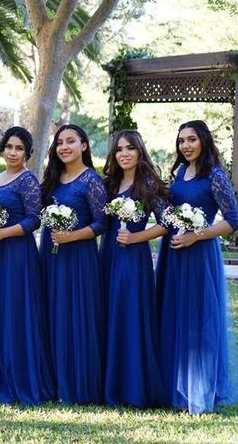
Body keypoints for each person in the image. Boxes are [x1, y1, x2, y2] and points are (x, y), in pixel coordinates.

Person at [156, 120, 238, 414]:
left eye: (191, 139)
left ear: (203, 140)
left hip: (199, 253)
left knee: (197, 319)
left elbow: (232, 220)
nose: (185, 146)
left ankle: (198, 391)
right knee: (174, 314)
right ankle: (172, 387)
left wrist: (195, 236)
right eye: (181, 141)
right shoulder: (179, 172)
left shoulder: (214, 175)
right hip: (173, 252)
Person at [0, 126, 55, 405]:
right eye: (9, 147)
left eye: (19, 148)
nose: (13, 152)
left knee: (16, 312)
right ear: (2, 148)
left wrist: (3, 232)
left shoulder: (28, 181)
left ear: (28, 153)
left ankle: (19, 378)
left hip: (18, 255)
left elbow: (34, 219)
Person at [40, 124, 107, 404]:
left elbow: (102, 222)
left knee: (75, 316)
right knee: (51, 313)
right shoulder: (54, 178)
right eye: (59, 143)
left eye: (70, 141)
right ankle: (52, 381)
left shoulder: (91, 180)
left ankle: (76, 385)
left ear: (84, 145)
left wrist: (72, 236)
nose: (64, 147)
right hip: (50, 254)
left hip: (78, 257)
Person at [100, 129, 167, 407]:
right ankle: (108, 383)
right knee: (108, 313)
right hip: (108, 255)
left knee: (129, 315)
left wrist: (136, 237)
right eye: (118, 149)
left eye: (129, 148)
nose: (124, 153)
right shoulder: (110, 183)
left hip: (132, 257)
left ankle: (133, 387)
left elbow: (167, 223)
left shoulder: (148, 182)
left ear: (140, 151)